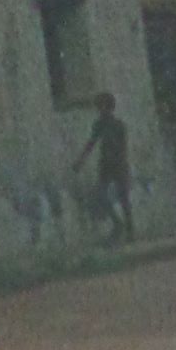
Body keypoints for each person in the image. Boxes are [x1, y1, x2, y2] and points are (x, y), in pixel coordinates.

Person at [75, 91, 134, 244]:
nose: (99, 110)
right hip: (106, 165)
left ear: (108, 107)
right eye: (98, 107)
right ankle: (118, 223)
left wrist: (121, 164)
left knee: (124, 199)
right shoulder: (99, 125)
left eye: (101, 106)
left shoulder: (118, 125)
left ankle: (130, 231)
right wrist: (80, 161)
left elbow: (122, 148)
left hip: (118, 164)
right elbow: (91, 143)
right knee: (101, 195)